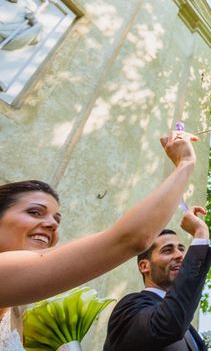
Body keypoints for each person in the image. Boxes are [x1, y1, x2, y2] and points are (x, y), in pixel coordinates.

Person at [0, 131, 196, 349]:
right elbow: (131, 238)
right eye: (35, 212)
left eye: (57, 218)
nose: (53, 224)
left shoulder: (16, 313)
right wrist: (185, 163)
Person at [103, 206, 211, 350]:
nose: (180, 255)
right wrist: (200, 234)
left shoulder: (189, 328)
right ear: (144, 266)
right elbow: (168, 324)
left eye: (181, 249)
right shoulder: (129, 308)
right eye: (167, 250)